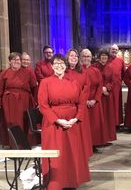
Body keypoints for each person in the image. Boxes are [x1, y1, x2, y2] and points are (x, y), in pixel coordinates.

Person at [38, 54, 90, 190]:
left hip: (72, 124)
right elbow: (43, 105)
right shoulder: (45, 82)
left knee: (71, 154)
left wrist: (76, 118)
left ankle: (71, 181)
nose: (59, 66)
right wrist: (57, 120)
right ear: (51, 66)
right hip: (53, 124)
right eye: (56, 64)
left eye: (61, 64)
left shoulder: (74, 83)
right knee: (57, 155)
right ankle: (56, 183)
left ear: (66, 66)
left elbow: (81, 103)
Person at [0, 52, 38, 147]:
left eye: (18, 59)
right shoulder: (4, 73)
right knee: (12, 123)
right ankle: (14, 146)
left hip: (25, 101)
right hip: (9, 102)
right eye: (13, 59)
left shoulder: (28, 72)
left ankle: (25, 145)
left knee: (25, 122)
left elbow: (34, 87)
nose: (16, 61)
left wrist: (35, 101)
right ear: (10, 61)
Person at [65, 48, 93, 158]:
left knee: (81, 131)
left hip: (80, 106)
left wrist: (79, 100)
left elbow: (86, 88)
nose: (74, 58)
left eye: (76, 56)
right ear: (67, 58)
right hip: (67, 107)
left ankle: (81, 154)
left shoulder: (83, 73)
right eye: (71, 56)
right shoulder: (63, 72)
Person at [81, 49, 108, 152]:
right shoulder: (78, 71)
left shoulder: (96, 71)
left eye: (88, 56)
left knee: (94, 124)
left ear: (91, 58)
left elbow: (100, 86)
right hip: (83, 102)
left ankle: (93, 144)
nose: (86, 58)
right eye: (84, 56)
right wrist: (85, 100)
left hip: (95, 102)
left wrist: (95, 99)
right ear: (80, 57)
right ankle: (84, 145)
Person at [93, 49, 117, 142]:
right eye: (102, 56)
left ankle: (106, 137)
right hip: (97, 95)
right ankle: (99, 137)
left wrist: (106, 88)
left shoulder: (110, 68)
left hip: (107, 95)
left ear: (108, 58)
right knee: (98, 116)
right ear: (99, 57)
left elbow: (113, 81)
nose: (104, 58)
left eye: (105, 57)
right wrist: (101, 88)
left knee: (107, 116)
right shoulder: (94, 67)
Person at [108, 44, 125, 127]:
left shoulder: (120, 61)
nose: (114, 51)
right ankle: (109, 123)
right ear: (110, 50)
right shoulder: (106, 60)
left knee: (117, 104)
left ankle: (116, 123)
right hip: (107, 87)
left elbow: (124, 73)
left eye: (115, 49)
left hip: (117, 87)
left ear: (117, 51)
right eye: (112, 49)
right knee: (109, 105)